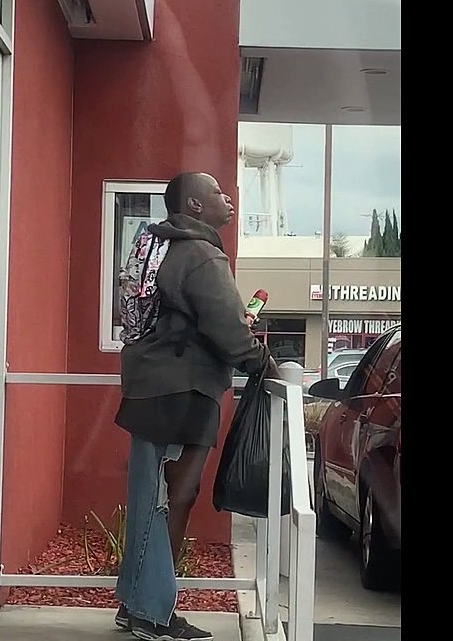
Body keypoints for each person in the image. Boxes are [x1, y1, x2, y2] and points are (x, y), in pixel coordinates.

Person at [113, 171, 279, 641]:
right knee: (172, 499)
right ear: (195, 205)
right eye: (217, 193)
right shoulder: (202, 254)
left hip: (152, 385)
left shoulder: (161, 245)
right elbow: (227, 328)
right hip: (184, 390)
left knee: (152, 496)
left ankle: (136, 604)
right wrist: (263, 361)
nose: (229, 198)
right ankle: (152, 613)